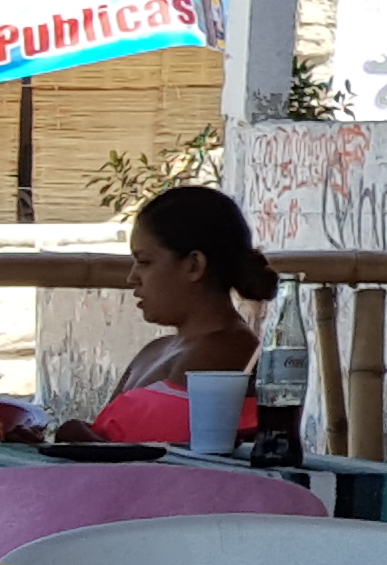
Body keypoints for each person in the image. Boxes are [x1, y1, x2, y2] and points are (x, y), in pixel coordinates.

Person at [79, 184, 274, 441]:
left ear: (194, 265)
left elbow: (165, 450)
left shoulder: (228, 352)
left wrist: (77, 435)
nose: (132, 277)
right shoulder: (155, 350)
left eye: (145, 262)